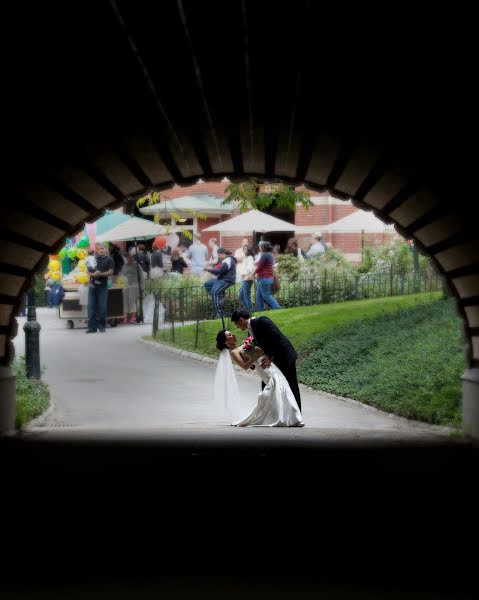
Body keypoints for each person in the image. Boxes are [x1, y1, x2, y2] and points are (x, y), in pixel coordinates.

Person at [214, 329, 303, 427]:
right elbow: (245, 366)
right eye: (229, 335)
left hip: (269, 364)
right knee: (278, 385)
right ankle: (289, 418)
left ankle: (289, 417)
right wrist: (255, 355)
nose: (233, 335)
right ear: (226, 342)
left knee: (283, 386)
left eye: (231, 333)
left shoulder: (244, 344)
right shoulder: (234, 352)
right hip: (263, 369)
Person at [231, 308, 302, 411]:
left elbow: (276, 337)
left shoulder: (262, 321)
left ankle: (296, 415)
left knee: (291, 384)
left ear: (241, 320)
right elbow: (259, 347)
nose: (237, 327)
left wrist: (270, 356)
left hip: (284, 356)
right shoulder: (250, 331)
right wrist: (251, 361)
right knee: (267, 385)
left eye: (236, 324)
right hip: (272, 362)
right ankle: (272, 413)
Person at [85, 243, 114, 333]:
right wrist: (92, 274)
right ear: (97, 250)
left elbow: (110, 272)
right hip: (92, 286)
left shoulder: (109, 259)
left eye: (102, 248)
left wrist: (100, 274)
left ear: (105, 249)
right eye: (99, 249)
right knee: (91, 307)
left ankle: (102, 326)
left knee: (102, 307)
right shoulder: (94, 259)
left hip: (102, 287)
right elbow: (87, 271)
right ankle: (92, 327)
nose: (101, 250)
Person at [203, 247, 236, 318]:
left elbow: (221, 271)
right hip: (221, 279)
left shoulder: (228, 260)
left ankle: (219, 314)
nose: (218, 256)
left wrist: (209, 270)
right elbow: (220, 270)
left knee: (214, 292)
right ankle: (219, 298)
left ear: (223, 254)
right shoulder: (225, 260)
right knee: (207, 284)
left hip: (226, 280)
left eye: (219, 254)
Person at [254, 241, 281, 311]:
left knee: (266, 296)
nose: (259, 247)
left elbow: (259, 267)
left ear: (262, 248)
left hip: (264, 277)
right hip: (264, 278)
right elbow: (264, 265)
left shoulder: (265, 255)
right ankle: (259, 311)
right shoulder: (268, 255)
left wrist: (250, 275)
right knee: (259, 295)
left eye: (260, 246)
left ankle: (278, 308)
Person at [121, 252, 145, 324]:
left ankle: (133, 317)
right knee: (125, 301)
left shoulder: (137, 265)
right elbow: (122, 275)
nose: (127, 259)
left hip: (134, 285)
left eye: (128, 257)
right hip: (126, 285)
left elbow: (141, 276)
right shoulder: (124, 266)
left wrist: (142, 287)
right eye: (126, 258)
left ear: (131, 257)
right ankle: (126, 317)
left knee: (132, 300)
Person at [238, 245, 255, 311]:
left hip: (248, 279)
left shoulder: (250, 258)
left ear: (249, 250)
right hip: (245, 279)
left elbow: (249, 269)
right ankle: (248, 309)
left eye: (245, 249)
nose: (244, 250)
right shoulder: (247, 257)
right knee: (241, 296)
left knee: (246, 296)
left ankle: (249, 309)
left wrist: (243, 273)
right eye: (243, 249)